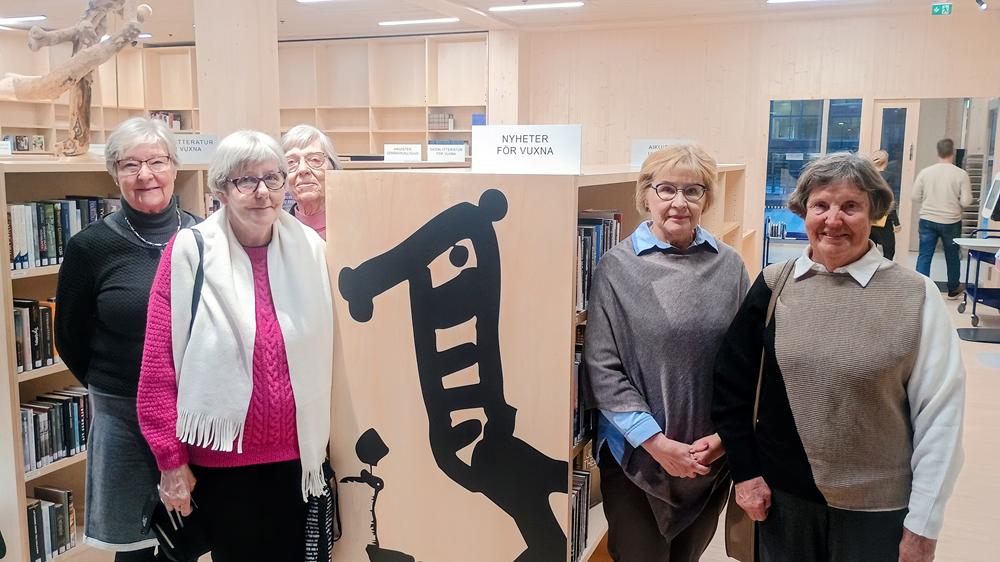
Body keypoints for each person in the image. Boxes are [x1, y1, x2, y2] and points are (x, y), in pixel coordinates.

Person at [714, 152, 965, 562]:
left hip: (877, 512)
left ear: (874, 213)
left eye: (850, 206)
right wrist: (746, 474)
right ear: (803, 211)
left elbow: (941, 418)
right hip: (782, 503)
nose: (833, 220)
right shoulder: (773, 285)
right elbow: (731, 387)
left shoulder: (915, 295)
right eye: (821, 205)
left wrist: (924, 524)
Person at [137, 130, 333, 562]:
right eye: (246, 180)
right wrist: (170, 461)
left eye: (272, 178)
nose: (262, 192)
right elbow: (157, 368)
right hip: (222, 464)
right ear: (221, 190)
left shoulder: (311, 250)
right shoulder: (189, 253)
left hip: (297, 459)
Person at [582, 144, 749, 561]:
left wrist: (723, 439)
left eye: (693, 191)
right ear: (646, 195)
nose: (679, 202)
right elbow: (602, 367)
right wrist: (655, 443)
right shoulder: (616, 267)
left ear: (707, 199)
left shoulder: (730, 266)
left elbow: (746, 361)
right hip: (637, 457)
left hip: (708, 460)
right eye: (666, 189)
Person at [54, 117, 200, 561]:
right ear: (114, 173)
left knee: (188, 541)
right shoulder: (89, 247)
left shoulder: (205, 237)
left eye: (157, 162)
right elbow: (69, 337)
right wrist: (116, 383)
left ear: (174, 167)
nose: (145, 175)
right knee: (133, 545)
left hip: (194, 412)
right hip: (123, 416)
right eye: (130, 164)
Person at [912, 138, 973, 299]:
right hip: (951, 221)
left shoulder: (926, 172)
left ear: (938, 152)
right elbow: (966, 201)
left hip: (927, 219)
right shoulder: (961, 174)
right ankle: (953, 288)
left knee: (925, 255)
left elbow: (915, 196)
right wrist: (957, 203)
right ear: (952, 152)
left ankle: (921, 290)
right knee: (952, 256)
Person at [281, 124, 342, 239]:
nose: (302, 169)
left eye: (314, 159)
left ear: (333, 168)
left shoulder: (355, 224)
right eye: (291, 162)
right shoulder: (275, 232)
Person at [868, 150, 901, 260]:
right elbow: (890, 201)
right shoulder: (889, 177)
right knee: (889, 250)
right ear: (886, 162)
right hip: (884, 218)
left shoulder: (867, 177)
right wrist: (896, 222)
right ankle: (885, 270)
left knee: (869, 251)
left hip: (869, 217)